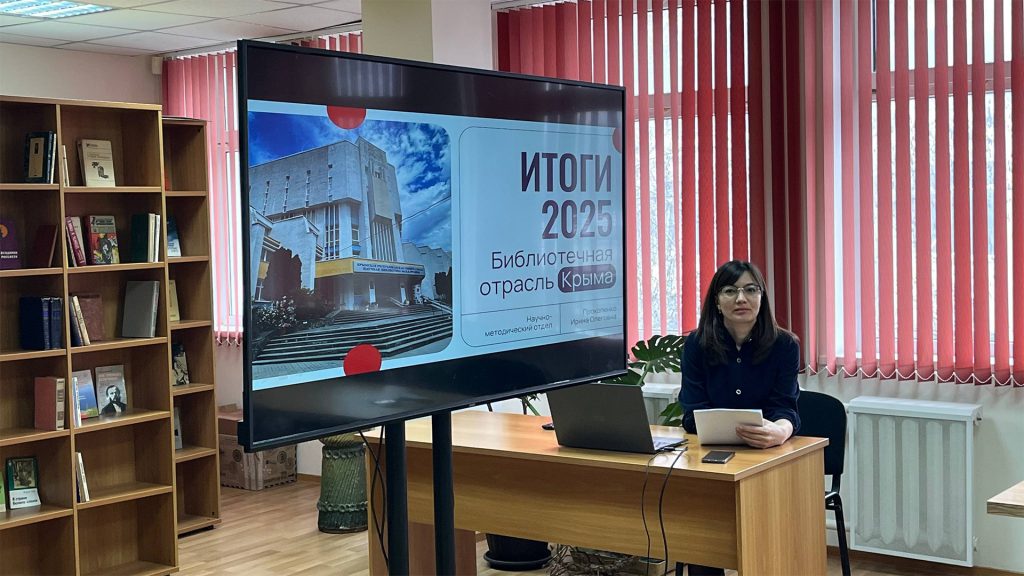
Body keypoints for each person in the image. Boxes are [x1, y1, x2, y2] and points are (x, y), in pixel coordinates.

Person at [677, 260, 801, 576]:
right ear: (717, 301)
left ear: (762, 297)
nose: (741, 298)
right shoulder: (696, 344)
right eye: (730, 291)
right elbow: (692, 411)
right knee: (703, 524)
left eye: (750, 290)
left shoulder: (785, 345)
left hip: (766, 455)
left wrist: (781, 431)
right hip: (710, 457)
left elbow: (786, 407)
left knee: (768, 535)